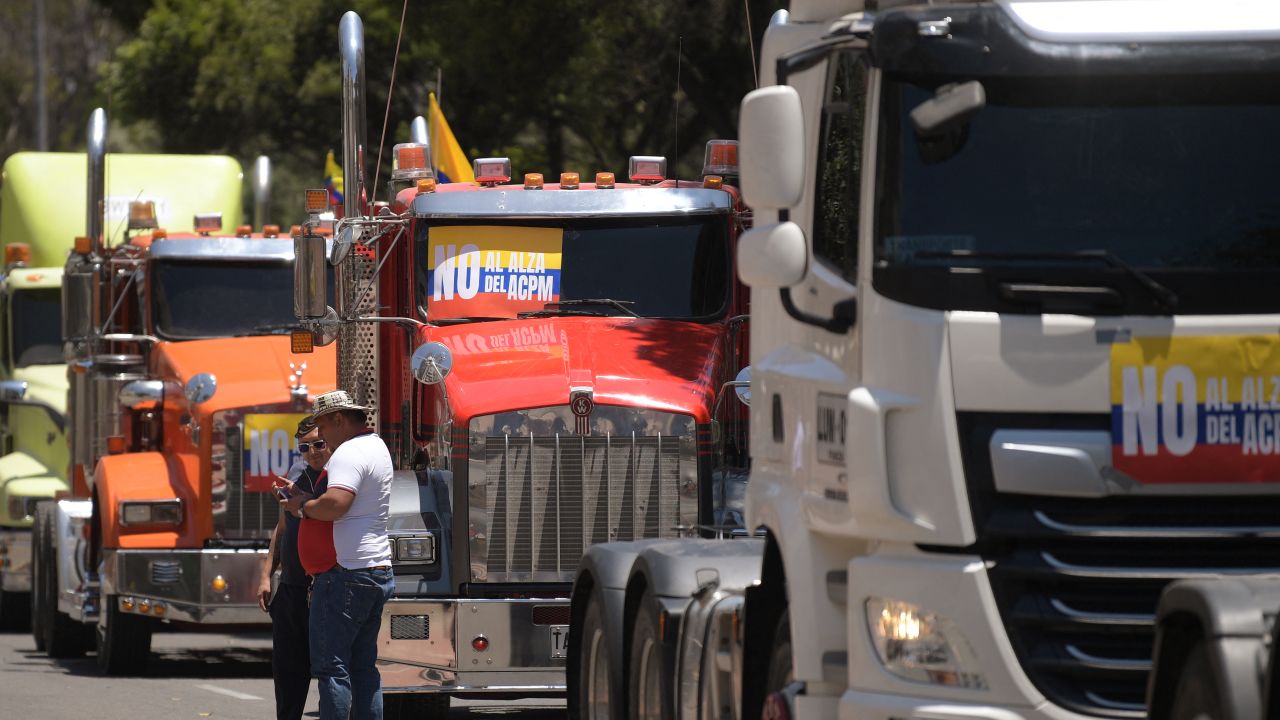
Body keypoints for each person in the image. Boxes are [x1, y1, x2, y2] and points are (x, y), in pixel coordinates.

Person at [281, 390, 394, 720]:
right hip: (376, 568)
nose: (322, 437)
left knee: (332, 668)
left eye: (323, 427)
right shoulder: (377, 447)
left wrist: (301, 506)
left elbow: (336, 505)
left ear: (338, 419)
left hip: (346, 573)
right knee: (363, 668)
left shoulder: (348, 453)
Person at [258, 419, 330, 720]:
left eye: (318, 444)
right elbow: (284, 526)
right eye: (304, 447)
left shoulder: (338, 476)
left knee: (332, 670)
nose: (311, 452)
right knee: (287, 671)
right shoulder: (298, 473)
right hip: (291, 588)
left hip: (327, 588)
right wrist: (266, 574)